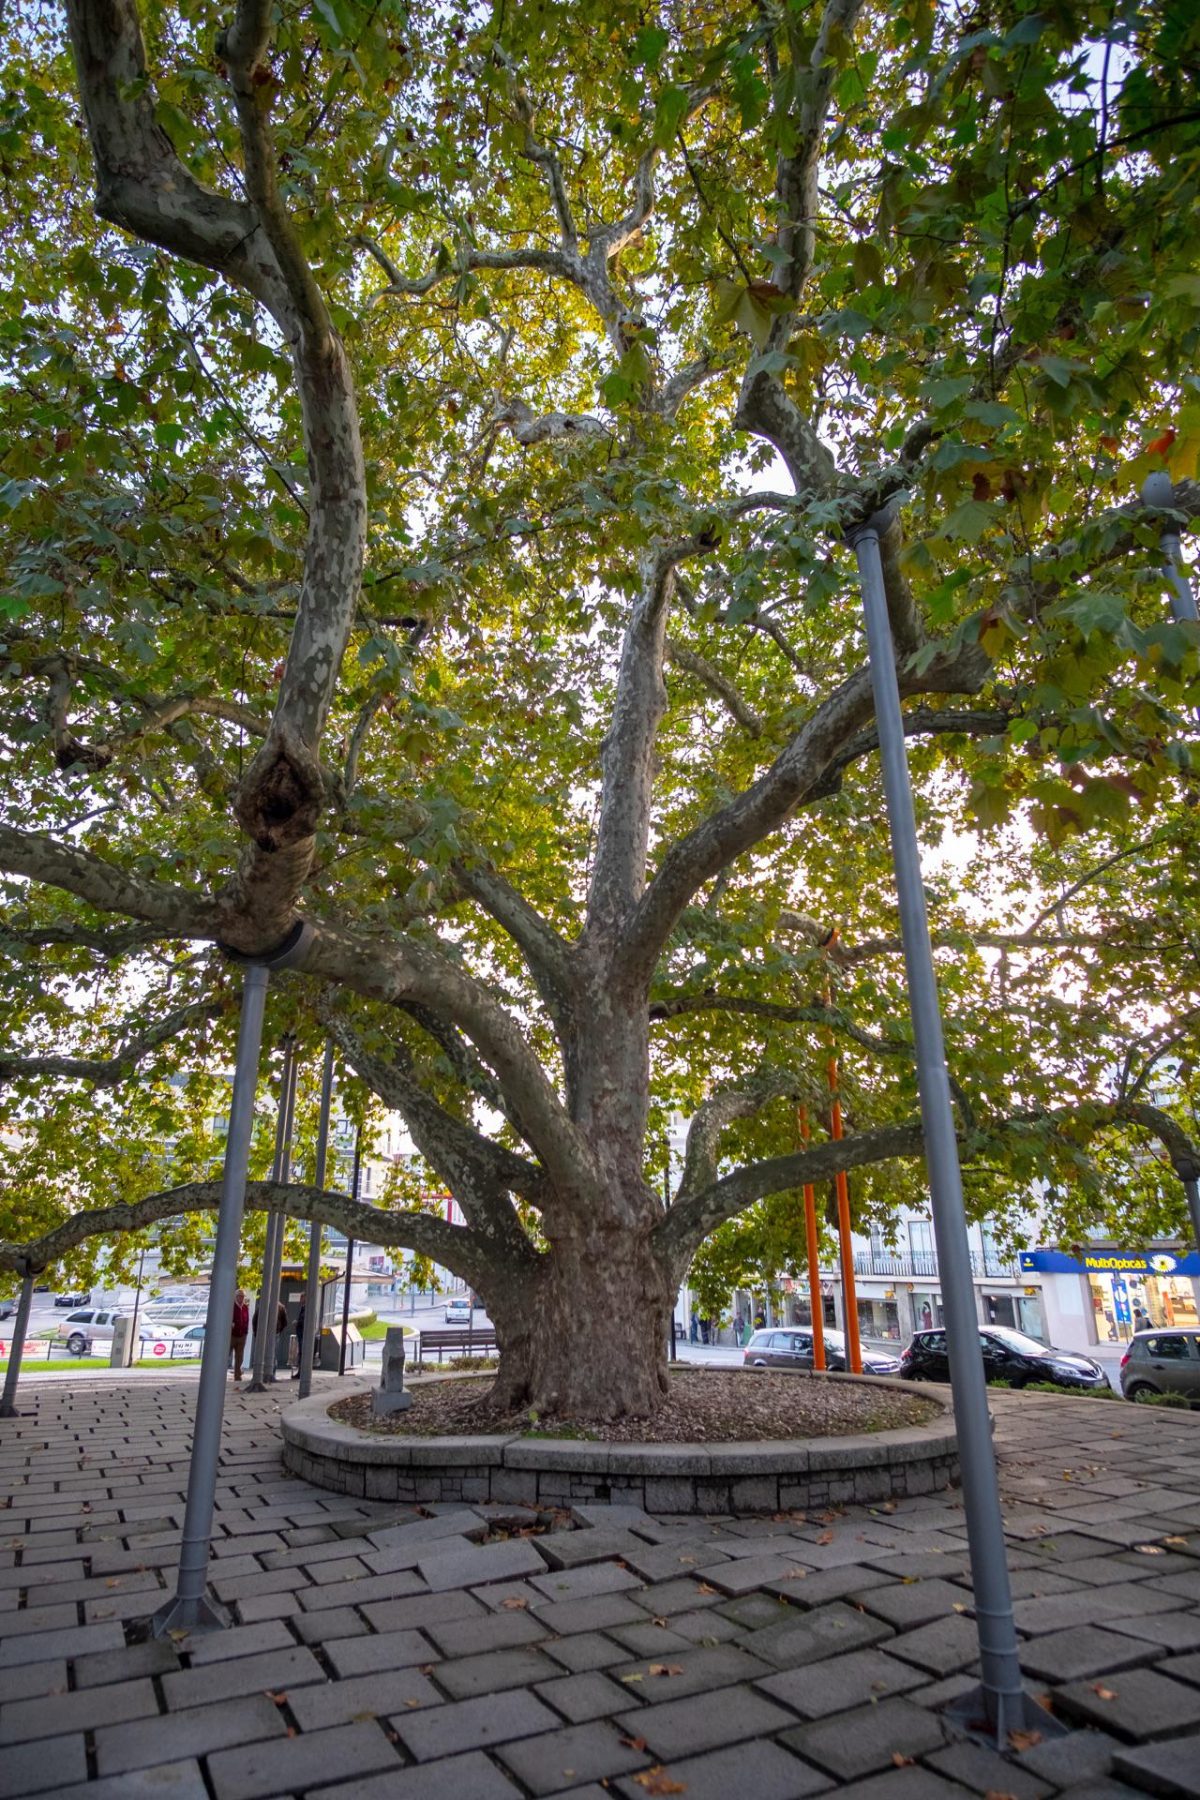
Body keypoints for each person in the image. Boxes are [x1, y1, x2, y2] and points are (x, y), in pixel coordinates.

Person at [230, 1288, 249, 1381]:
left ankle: (237, 1375)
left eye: (242, 1296)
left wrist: (246, 1332)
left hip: (242, 1336)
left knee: (239, 1357)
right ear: (235, 1297)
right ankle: (219, 1374)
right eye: (239, 1296)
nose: (241, 1298)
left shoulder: (245, 1307)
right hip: (232, 1335)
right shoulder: (231, 1306)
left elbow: (247, 1320)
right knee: (226, 1354)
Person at [291, 1295, 306, 1377]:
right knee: (300, 1352)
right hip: (301, 1333)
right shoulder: (303, 1308)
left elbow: (304, 1320)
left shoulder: (306, 1308)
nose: (300, 1299)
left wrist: (297, 1322)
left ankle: (301, 1372)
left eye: (302, 1297)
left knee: (302, 1352)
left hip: (302, 1333)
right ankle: (300, 1372)